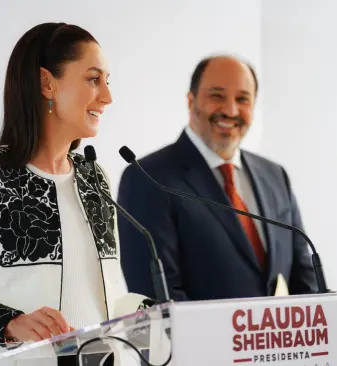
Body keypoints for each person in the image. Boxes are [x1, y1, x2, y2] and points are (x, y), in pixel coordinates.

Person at [0, 22, 153, 366]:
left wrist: (149, 310)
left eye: (107, 82)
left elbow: (109, 295)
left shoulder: (95, 178)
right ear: (46, 83)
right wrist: (10, 322)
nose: (107, 97)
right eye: (93, 79)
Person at [117, 55, 318, 302]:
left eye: (242, 99)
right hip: (197, 340)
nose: (231, 110)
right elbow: (158, 298)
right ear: (191, 101)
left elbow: (306, 282)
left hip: (276, 340)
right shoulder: (148, 178)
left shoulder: (275, 176)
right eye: (217, 96)